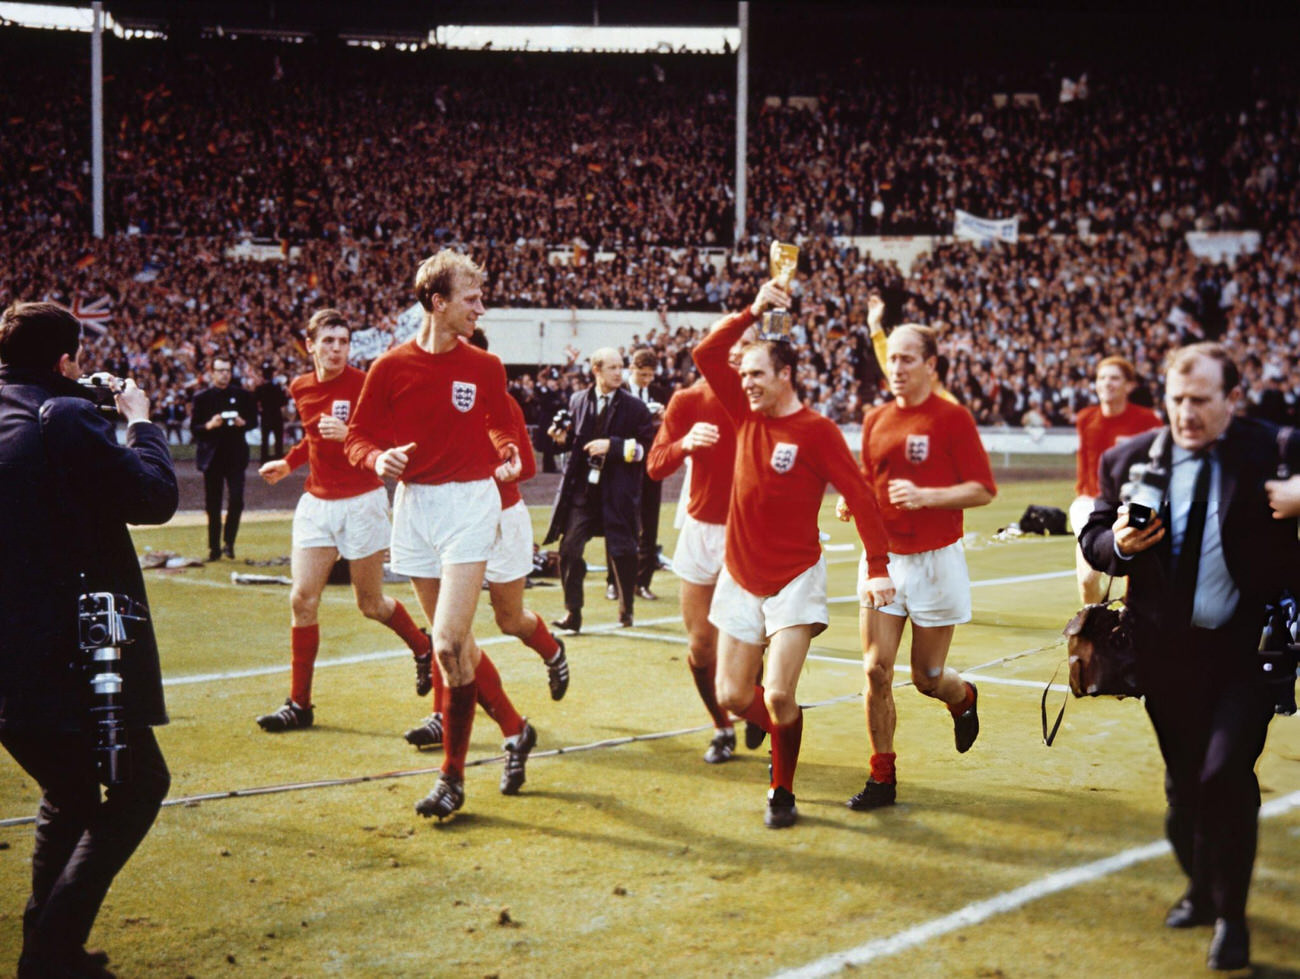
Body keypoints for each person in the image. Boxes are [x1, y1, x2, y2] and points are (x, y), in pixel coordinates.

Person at [1079, 342, 1300, 972]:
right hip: (1164, 657)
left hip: (1247, 653)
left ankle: (1231, 916)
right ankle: (1202, 890)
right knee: (1184, 793)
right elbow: (1093, 534)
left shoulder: (1273, 449)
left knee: (1225, 776)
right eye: (1176, 399)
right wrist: (1116, 543)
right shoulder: (1130, 458)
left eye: (1200, 400)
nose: (1185, 413)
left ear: (1233, 398)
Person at [0, 301, 178, 978]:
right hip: (75, 653)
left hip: (11, 655)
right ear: (67, 360)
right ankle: (50, 948)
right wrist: (140, 420)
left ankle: (47, 948)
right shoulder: (65, 414)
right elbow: (154, 496)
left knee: (70, 790)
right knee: (139, 786)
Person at [693, 280, 894, 829]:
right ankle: (777, 729)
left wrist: (877, 568)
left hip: (794, 579)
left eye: (757, 373)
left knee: (780, 692)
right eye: (744, 376)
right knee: (734, 695)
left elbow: (860, 496)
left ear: (785, 375)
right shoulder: (744, 412)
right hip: (740, 575)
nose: (746, 383)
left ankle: (782, 790)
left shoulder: (817, 430)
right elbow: (705, 353)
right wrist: (754, 310)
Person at [345, 249, 528, 822]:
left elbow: (500, 422)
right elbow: (358, 437)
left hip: (471, 503)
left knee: (447, 643)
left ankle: (451, 778)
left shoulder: (485, 366)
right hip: (415, 509)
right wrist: (378, 461)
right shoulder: (390, 367)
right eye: (470, 298)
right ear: (437, 302)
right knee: (457, 647)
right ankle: (518, 731)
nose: (480, 307)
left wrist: (508, 452)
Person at [253, 309, 437, 733]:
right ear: (311, 344)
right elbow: (310, 435)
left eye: (343, 342)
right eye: (329, 341)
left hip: (362, 501)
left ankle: (423, 646)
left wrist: (352, 435)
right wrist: (288, 462)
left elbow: (391, 436)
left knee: (370, 604)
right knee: (302, 598)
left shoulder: (364, 383)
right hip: (317, 502)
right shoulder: (299, 386)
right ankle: (299, 704)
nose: (337, 349)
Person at [840, 323, 996, 812]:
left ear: (931, 365)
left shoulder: (953, 419)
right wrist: (855, 501)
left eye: (908, 359)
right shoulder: (875, 419)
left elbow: (984, 489)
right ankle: (882, 778)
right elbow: (868, 479)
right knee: (875, 670)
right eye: (893, 360)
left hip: (936, 563)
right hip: (883, 560)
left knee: (927, 676)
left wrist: (929, 496)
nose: (898, 368)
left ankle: (963, 698)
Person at [403, 327, 571, 750]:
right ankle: (443, 715)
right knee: (451, 629)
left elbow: (528, 466)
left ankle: (553, 652)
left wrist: (491, 472)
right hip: (455, 522)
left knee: (508, 619)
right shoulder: (432, 399)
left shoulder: (502, 403)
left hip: (501, 518)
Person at [646, 356, 744, 763]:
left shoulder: (758, 398)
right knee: (702, 646)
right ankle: (722, 726)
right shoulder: (687, 400)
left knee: (752, 639)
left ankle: (755, 705)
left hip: (748, 533)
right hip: (700, 531)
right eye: (727, 353)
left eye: (740, 354)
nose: (732, 361)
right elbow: (655, 465)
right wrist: (685, 444)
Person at [543, 347, 656, 632]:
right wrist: (559, 440)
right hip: (583, 493)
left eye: (621, 367)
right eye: (613, 368)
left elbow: (646, 449)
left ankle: (626, 608)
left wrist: (613, 446)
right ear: (596, 370)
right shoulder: (577, 400)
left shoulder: (635, 408)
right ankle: (573, 612)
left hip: (618, 492)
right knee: (569, 548)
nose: (619, 373)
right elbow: (573, 443)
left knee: (623, 551)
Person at [1070, 356, 1161, 604]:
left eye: (1114, 378)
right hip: (1090, 501)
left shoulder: (1147, 421)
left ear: (1129, 386)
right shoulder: (1085, 418)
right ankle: (1092, 622)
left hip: (1133, 502)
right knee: (1088, 577)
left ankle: (1129, 620)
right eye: (1102, 378)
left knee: (1136, 565)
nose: (1107, 383)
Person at [191, 355, 257, 561]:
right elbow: (195, 428)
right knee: (213, 504)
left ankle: (229, 543)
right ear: (212, 373)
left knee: (237, 500)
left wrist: (242, 423)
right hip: (212, 458)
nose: (224, 375)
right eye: (220, 370)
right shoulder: (202, 398)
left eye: (227, 370)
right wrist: (209, 425)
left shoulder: (242, 395)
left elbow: (253, 421)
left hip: (235, 456)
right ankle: (214, 547)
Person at [620, 347, 674, 601]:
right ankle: (616, 581)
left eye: (650, 375)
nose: (646, 380)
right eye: (642, 374)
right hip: (625, 464)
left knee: (649, 524)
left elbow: (672, 426)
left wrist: (665, 417)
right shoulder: (619, 392)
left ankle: (642, 582)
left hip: (652, 463)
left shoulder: (660, 393)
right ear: (632, 369)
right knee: (622, 523)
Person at [254, 362, 288, 464]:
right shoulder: (277, 388)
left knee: (265, 439)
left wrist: (260, 410)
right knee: (278, 438)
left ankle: (264, 458)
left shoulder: (260, 388)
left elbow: (254, 400)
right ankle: (278, 456)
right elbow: (284, 402)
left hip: (265, 415)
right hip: (276, 415)